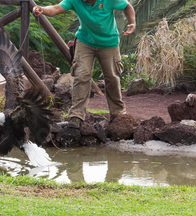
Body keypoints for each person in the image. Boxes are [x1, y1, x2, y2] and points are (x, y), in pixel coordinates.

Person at [33, 0, 136, 128]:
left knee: (112, 77)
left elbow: (127, 6)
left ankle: (118, 115)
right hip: (85, 41)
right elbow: (55, 9)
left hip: (109, 43)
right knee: (81, 75)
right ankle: (76, 116)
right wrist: (42, 9)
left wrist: (132, 22)